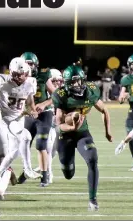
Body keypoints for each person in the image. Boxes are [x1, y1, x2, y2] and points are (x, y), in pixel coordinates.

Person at [52, 65, 113, 211]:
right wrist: (72, 127)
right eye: (72, 82)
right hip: (65, 135)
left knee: (92, 159)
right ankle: (66, 166)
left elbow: (104, 110)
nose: (77, 85)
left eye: (78, 81)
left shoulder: (91, 91)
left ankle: (93, 200)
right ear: (66, 83)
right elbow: (58, 125)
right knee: (68, 173)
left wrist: (107, 131)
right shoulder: (60, 95)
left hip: (82, 133)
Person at [17, 52, 56, 187]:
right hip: (28, 114)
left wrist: (44, 104)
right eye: (26, 63)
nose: (28, 66)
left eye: (31, 64)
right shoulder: (17, 77)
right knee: (23, 143)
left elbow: (56, 96)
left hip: (44, 113)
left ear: (36, 65)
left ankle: (44, 175)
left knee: (40, 144)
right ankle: (26, 170)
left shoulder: (43, 76)